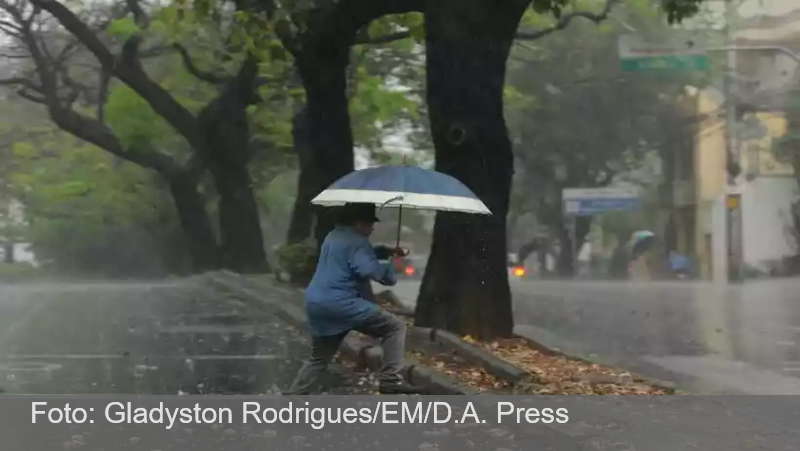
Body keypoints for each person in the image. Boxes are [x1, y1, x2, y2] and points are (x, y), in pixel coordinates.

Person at [286, 202, 424, 395]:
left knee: (319, 359)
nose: (372, 228)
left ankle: (292, 398)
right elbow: (372, 271)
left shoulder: (333, 237)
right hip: (341, 303)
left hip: (317, 303)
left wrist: (384, 251)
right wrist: (394, 267)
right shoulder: (358, 242)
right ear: (359, 224)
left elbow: (351, 255)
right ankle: (391, 379)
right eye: (370, 224)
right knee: (395, 326)